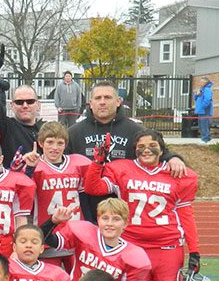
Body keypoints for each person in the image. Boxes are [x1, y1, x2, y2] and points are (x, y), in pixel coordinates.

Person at [83, 130, 199, 281]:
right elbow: (92, 187)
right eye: (141, 145)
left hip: (167, 247)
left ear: (162, 148)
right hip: (132, 248)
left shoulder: (178, 174)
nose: (146, 149)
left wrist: (195, 250)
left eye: (152, 145)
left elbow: (185, 215)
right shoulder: (122, 168)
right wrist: (98, 161)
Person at [67, 80, 187, 221]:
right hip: (86, 204)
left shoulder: (135, 131)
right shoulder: (73, 133)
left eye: (108, 97)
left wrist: (174, 158)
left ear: (118, 101)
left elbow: (158, 150)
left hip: (126, 206)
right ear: (90, 103)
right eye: (98, 98)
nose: (102, 102)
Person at [0, 46, 44, 163]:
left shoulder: (47, 130)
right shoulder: (6, 127)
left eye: (30, 101)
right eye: (19, 102)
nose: (25, 105)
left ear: (38, 104)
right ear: (12, 105)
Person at [194, 77, 214, 143]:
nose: (200, 83)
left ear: (205, 82)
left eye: (201, 82)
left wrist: (203, 106)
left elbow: (208, 99)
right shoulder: (201, 90)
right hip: (200, 110)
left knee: (204, 124)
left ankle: (205, 139)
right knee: (201, 125)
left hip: (205, 110)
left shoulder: (207, 90)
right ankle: (205, 138)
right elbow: (195, 98)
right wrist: (197, 94)